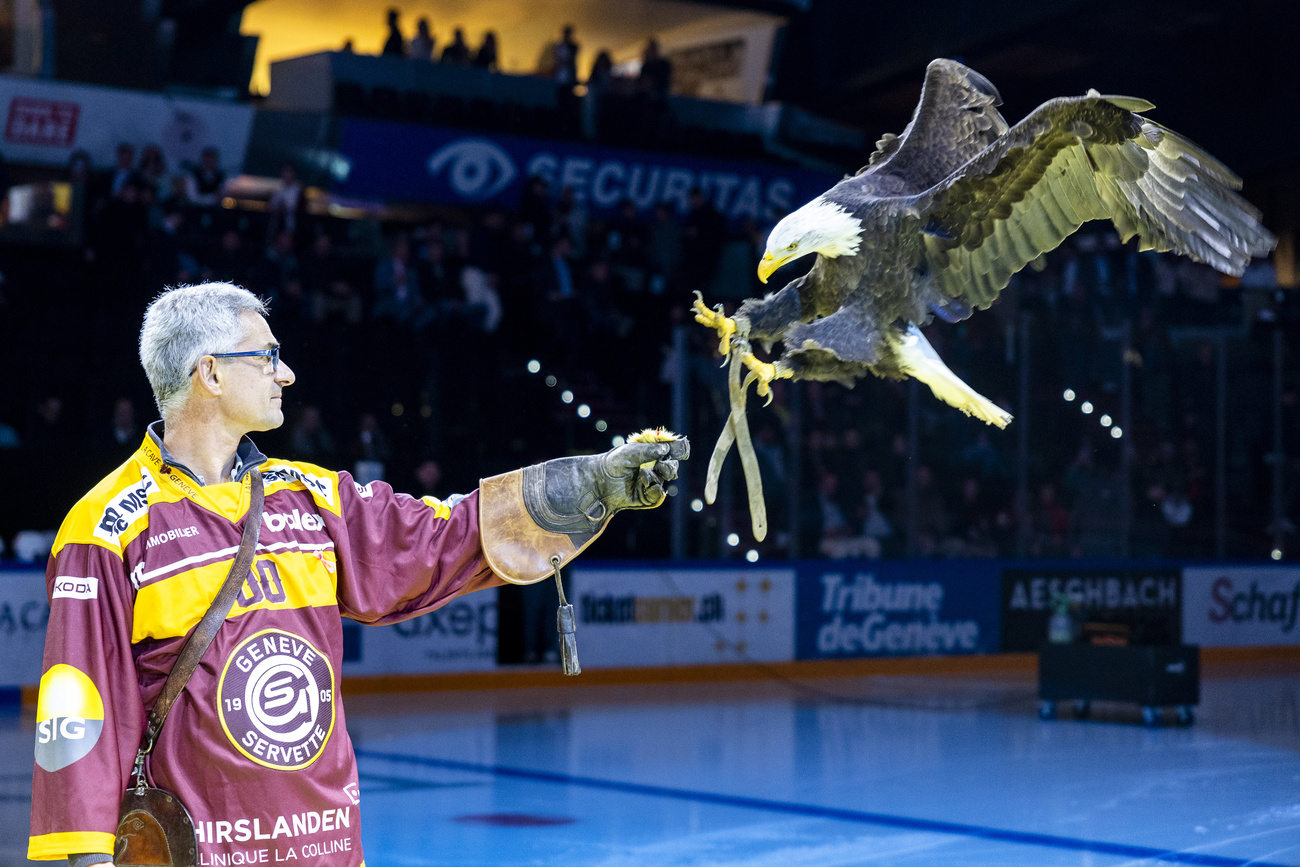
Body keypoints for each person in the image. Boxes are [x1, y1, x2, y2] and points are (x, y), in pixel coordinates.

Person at [28, 281, 686, 864]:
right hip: (199, 849)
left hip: (326, 848)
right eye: (267, 355)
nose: (284, 374)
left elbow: (440, 537)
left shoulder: (314, 497)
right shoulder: (107, 527)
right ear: (210, 373)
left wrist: (595, 482)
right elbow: (79, 712)